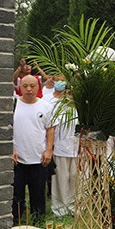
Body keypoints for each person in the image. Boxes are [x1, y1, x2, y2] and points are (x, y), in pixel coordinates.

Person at [12, 75, 54, 224]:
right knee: (16, 193)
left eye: (32, 85)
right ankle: (16, 219)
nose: (29, 89)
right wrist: (10, 149)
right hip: (17, 159)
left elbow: (50, 129)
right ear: (20, 87)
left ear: (38, 86)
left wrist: (49, 150)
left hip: (38, 158)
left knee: (38, 192)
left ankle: (38, 220)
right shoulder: (13, 105)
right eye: (25, 86)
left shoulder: (46, 106)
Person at [45, 79, 77, 216]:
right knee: (61, 178)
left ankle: (73, 207)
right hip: (61, 147)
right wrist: (50, 147)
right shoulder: (56, 105)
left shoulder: (80, 107)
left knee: (75, 178)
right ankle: (59, 209)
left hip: (78, 149)